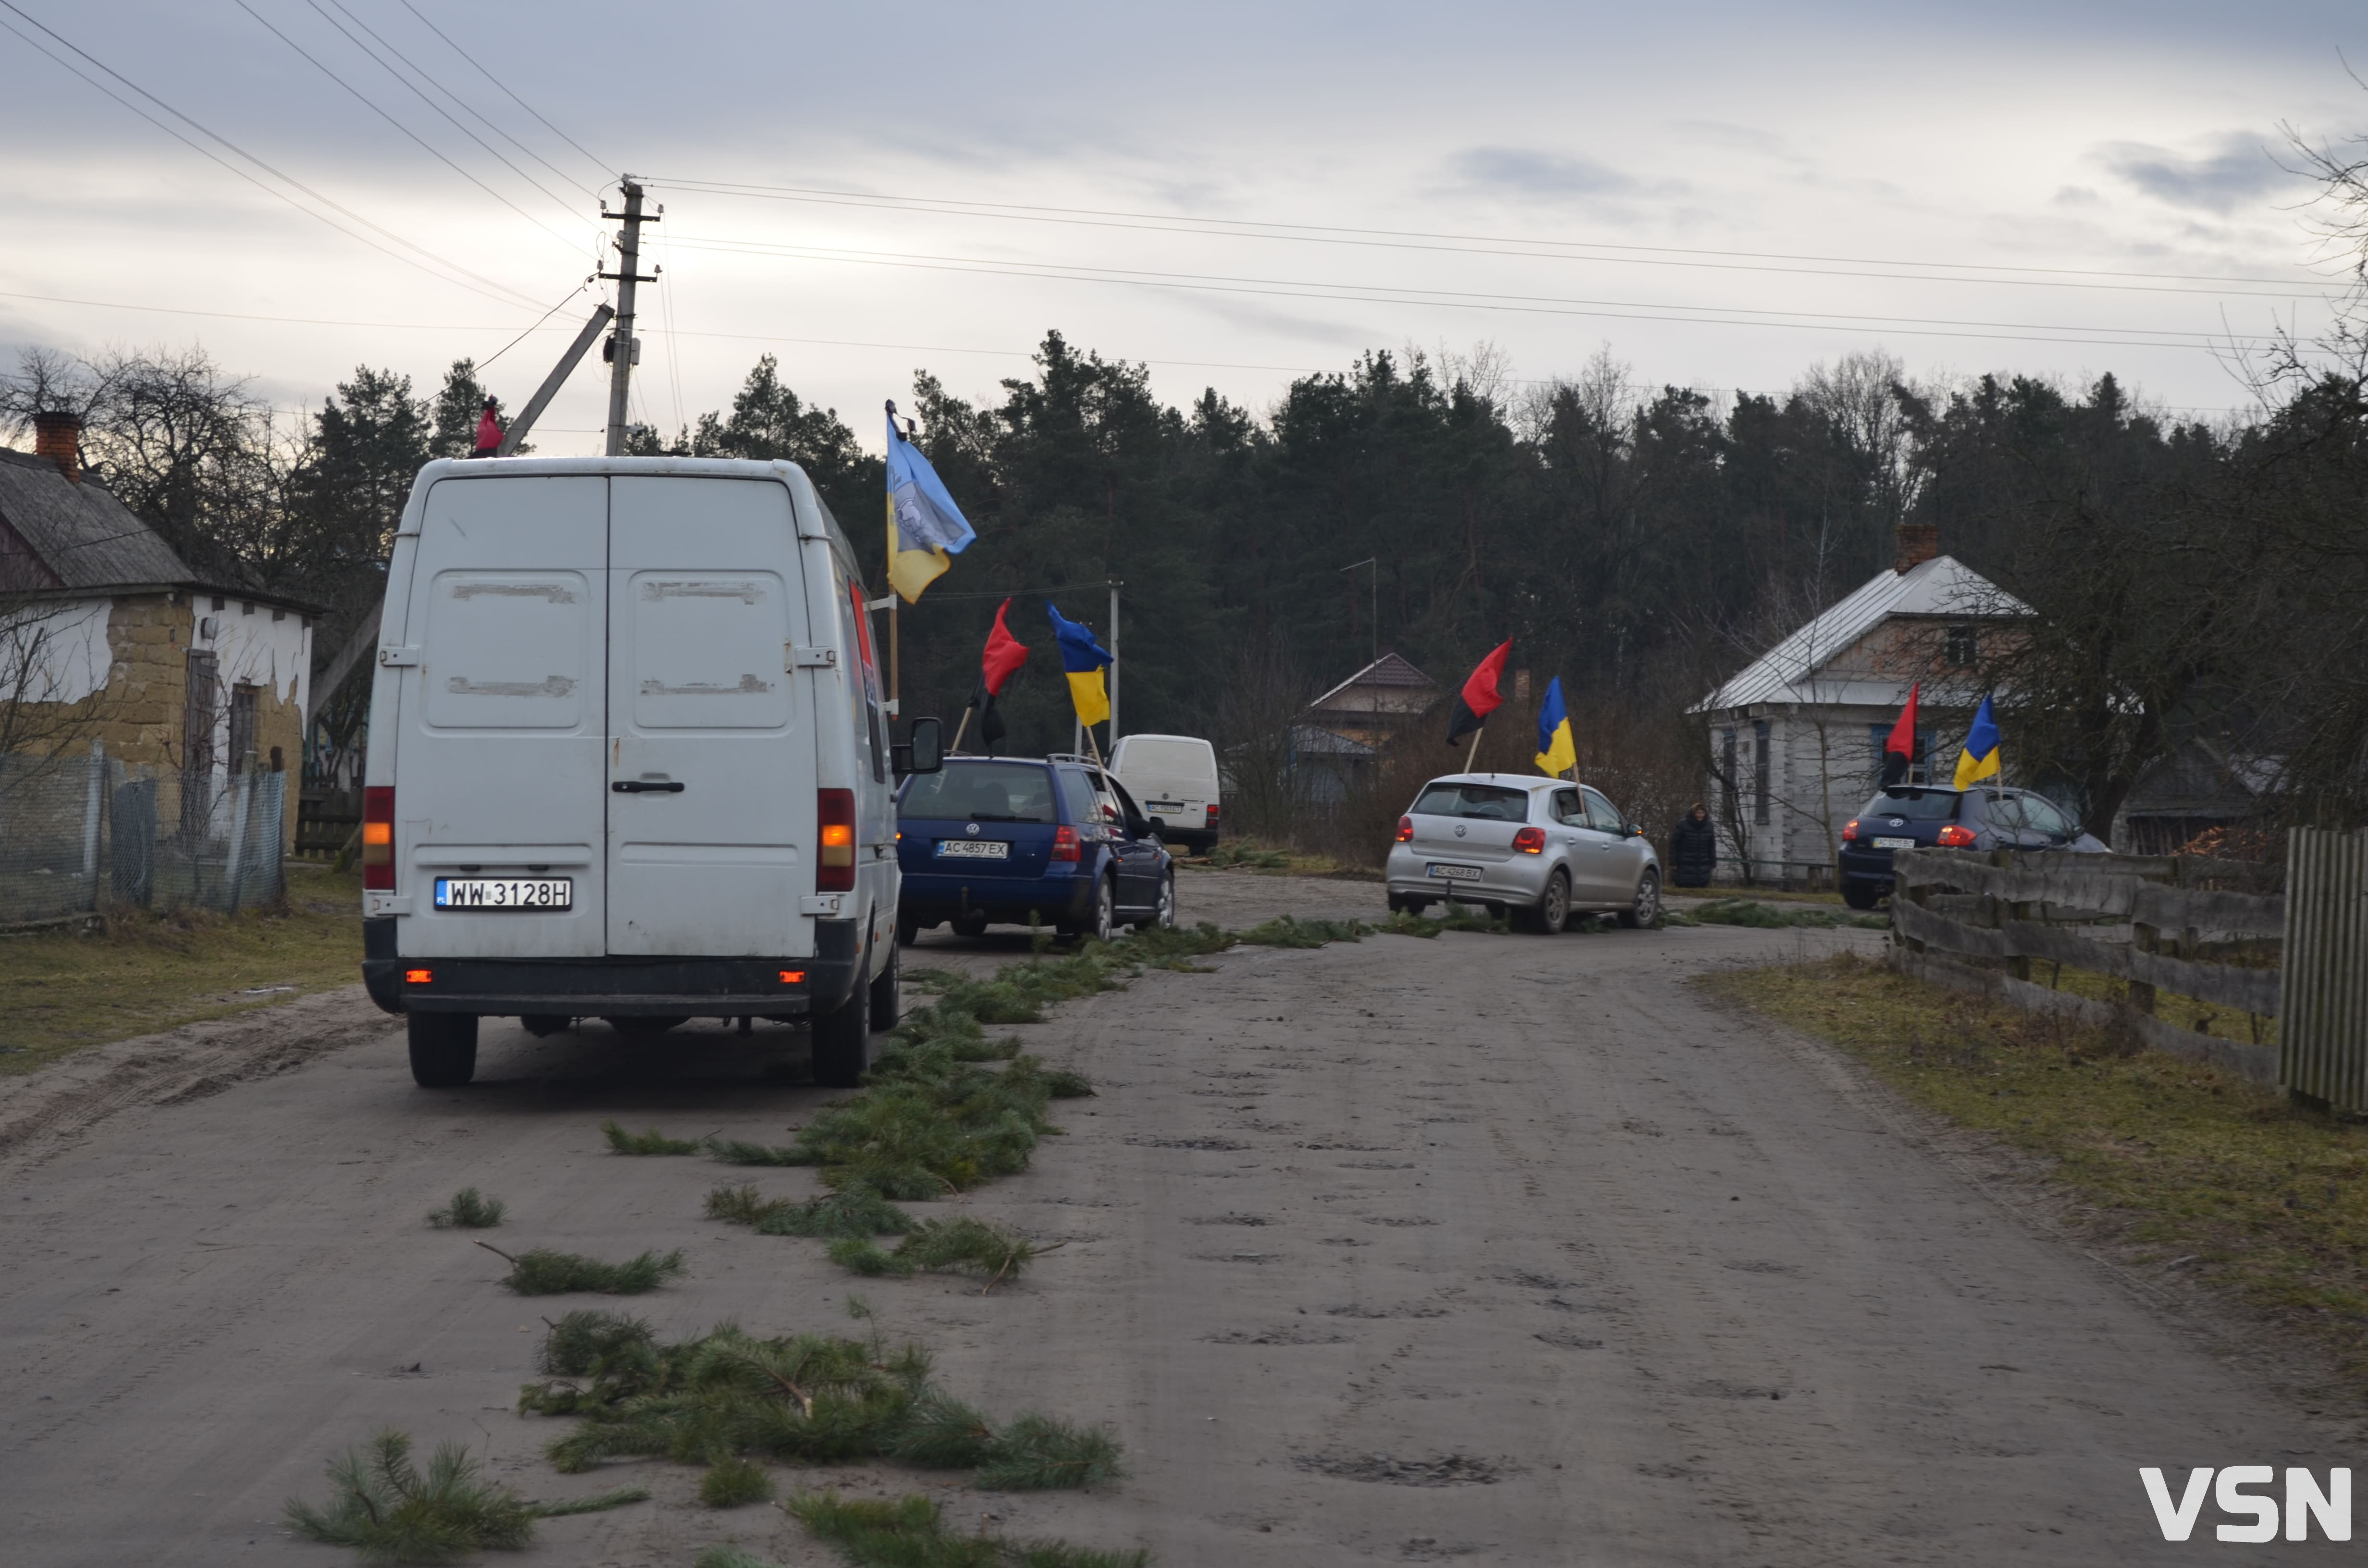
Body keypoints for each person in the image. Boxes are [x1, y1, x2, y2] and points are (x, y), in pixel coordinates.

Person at [1669, 802, 1717, 888]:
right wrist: (1674, 862)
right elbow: (1675, 844)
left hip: (1703, 863)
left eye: (1702, 813)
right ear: (1694, 814)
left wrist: (1713, 862)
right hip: (1684, 863)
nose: (1700, 815)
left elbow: (1712, 846)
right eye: (1698, 813)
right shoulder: (1683, 825)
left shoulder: (1709, 826)